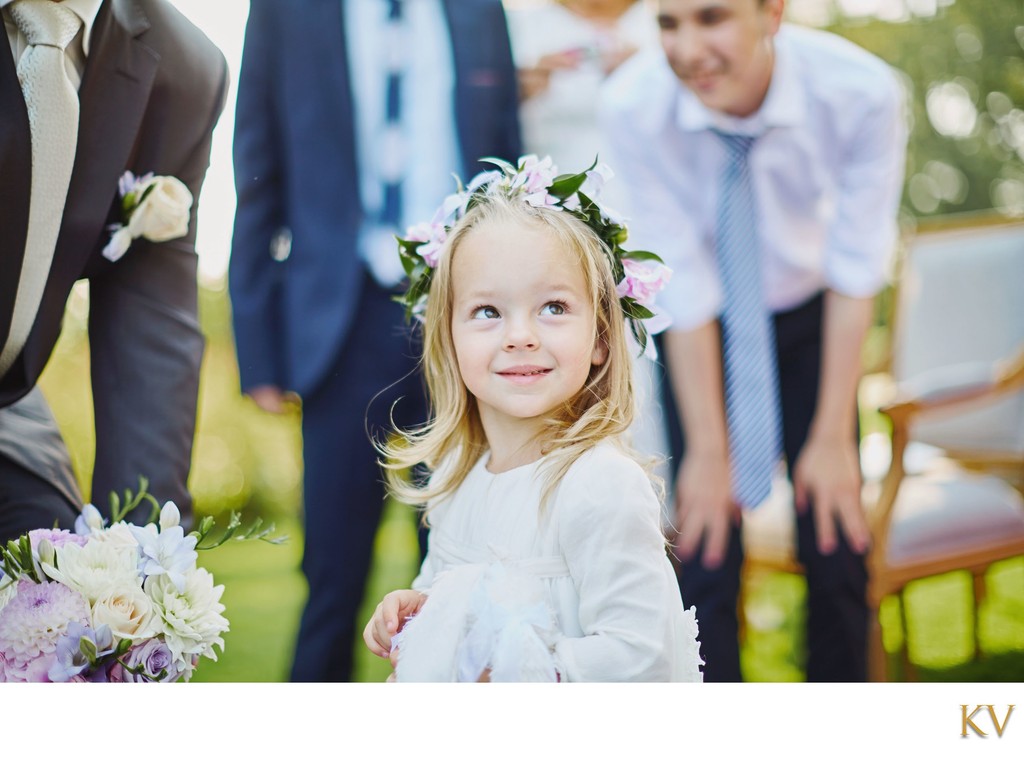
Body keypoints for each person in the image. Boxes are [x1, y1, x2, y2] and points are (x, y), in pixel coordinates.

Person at [600, 0, 907, 681]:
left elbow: (857, 272)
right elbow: (681, 284)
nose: (686, 49)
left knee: (835, 541)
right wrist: (708, 449)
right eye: (668, 24)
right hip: (702, 331)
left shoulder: (862, 92)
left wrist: (831, 437)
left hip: (814, 321)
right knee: (704, 546)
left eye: (711, 18)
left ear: (773, 12)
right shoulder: (631, 106)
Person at [228, 0, 521, 682]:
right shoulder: (284, 12)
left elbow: (504, 144)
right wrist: (259, 344)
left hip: (462, 313)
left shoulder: (479, 9)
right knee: (332, 572)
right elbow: (256, 164)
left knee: (466, 564)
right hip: (339, 315)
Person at [362, 157, 702, 682]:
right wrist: (418, 609)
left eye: (553, 307)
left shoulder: (598, 485)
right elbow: (453, 590)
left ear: (601, 338)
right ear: (448, 338)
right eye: (488, 312)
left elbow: (640, 659)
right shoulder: (459, 476)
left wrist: (507, 677)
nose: (520, 335)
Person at [0, 0, 228, 542]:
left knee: (56, 582)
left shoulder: (181, 70)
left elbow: (149, 334)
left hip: (8, 405)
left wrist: (141, 570)